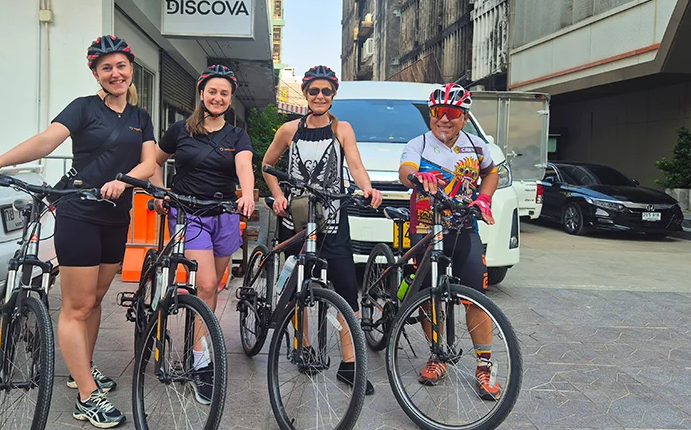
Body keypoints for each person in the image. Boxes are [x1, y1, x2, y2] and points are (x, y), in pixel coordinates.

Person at [0, 35, 156, 427]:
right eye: (106, 68)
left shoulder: (141, 117)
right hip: (79, 214)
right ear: (96, 73)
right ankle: (87, 394)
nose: (115, 73)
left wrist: (125, 180)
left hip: (117, 217)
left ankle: (80, 367)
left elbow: (149, 163)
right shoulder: (84, 108)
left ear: (130, 69)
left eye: (121, 66)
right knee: (77, 306)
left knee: (97, 299)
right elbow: (47, 141)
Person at [261, 65, 382, 396]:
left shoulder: (342, 128)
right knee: (298, 288)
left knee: (346, 291)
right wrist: (278, 196)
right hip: (297, 219)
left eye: (326, 91)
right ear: (305, 92)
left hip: (333, 220)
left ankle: (349, 365)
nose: (319, 96)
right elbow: (267, 166)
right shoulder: (288, 130)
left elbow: (355, 164)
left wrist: (368, 188)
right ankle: (303, 346)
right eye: (313, 91)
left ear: (333, 94)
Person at [148, 64, 256, 404]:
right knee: (206, 283)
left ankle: (201, 338)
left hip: (224, 214)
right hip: (188, 212)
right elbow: (154, 160)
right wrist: (159, 192)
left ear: (229, 98)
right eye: (213, 91)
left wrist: (249, 193)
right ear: (202, 93)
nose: (218, 97)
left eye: (224, 93)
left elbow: (243, 166)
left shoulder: (237, 135)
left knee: (214, 287)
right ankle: (200, 361)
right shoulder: (181, 130)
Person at [397, 82, 501, 401]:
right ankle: (438, 355)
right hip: (427, 227)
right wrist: (417, 177)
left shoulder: (477, 145)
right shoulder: (419, 144)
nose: (444, 118)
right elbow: (405, 170)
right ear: (431, 115)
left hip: (464, 227)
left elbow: (491, 172)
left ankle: (484, 365)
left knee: (474, 297)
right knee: (430, 295)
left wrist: (484, 198)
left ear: (464, 117)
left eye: (452, 113)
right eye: (438, 112)